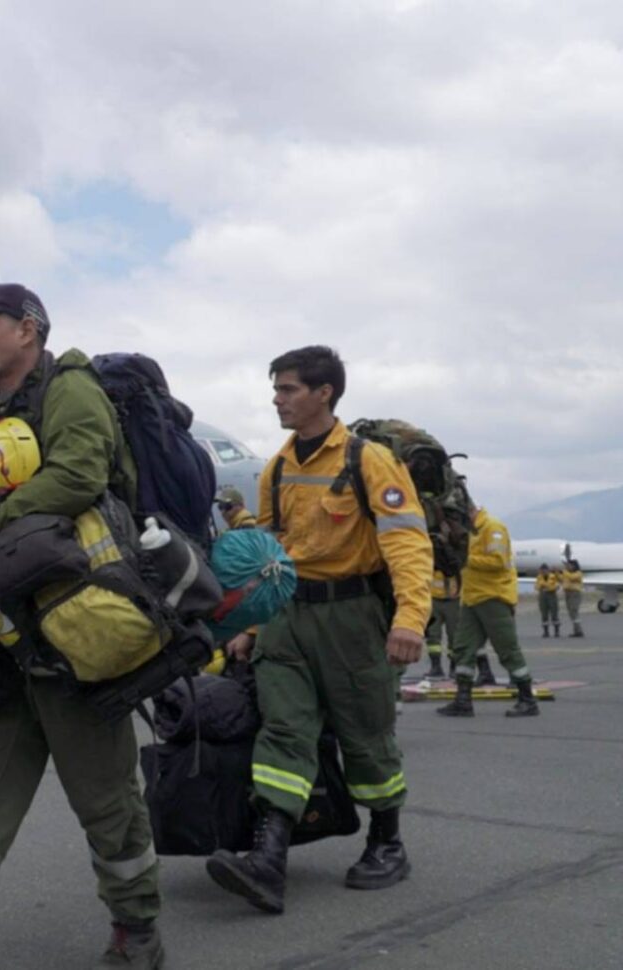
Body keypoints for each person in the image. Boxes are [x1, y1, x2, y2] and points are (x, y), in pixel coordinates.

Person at [0, 283, 163, 970]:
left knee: (108, 805)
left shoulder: (69, 389)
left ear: (28, 329)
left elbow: (79, 474)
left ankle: (137, 931)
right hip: (1, 640)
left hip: (75, 637)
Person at [206, 345, 431, 915]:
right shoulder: (279, 465)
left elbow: (406, 541)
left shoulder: (368, 459)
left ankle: (388, 841)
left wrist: (409, 619)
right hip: (286, 615)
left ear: (323, 393)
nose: (277, 399)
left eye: (288, 389)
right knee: (283, 729)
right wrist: (250, 624)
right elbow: (267, 553)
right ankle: (267, 861)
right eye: (277, 389)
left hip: (351, 617)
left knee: (365, 732)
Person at [437, 504, 539, 717]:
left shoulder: (492, 528)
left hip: (493, 597)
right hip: (472, 598)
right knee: (463, 648)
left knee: (506, 648)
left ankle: (527, 698)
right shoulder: (469, 534)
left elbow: (498, 561)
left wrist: (466, 559)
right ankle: (463, 700)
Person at [424, 570, 460, 679]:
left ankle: (454, 667)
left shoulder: (458, 555)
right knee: (432, 635)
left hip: (454, 599)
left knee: (455, 636)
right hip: (433, 598)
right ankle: (436, 666)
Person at [560, 560, 585, 638]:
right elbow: (562, 579)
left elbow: (571, 577)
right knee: (571, 612)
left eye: (569, 565)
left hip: (575, 593)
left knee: (574, 611)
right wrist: (557, 573)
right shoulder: (567, 574)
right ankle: (576, 630)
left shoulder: (578, 573)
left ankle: (579, 630)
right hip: (568, 593)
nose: (567, 567)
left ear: (574, 566)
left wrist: (564, 571)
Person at [536, 564, 561, 638]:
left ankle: (557, 631)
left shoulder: (553, 577)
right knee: (544, 615)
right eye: (542, 570)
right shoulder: (539, 577)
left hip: (552, 596)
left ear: (548, 570)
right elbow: (536, 586)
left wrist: (548, 587)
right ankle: (546, 632)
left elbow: (557, 586)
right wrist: (542, 586)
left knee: (554, 614)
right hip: (542, 597)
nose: (543, 571)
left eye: (545, 570)